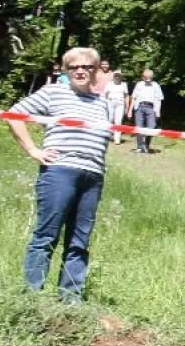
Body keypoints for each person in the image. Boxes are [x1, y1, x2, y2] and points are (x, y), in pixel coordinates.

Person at [6, 47, 111, 303]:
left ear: (96, 71)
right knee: (46, 235)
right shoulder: (53, 92)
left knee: (79, 240)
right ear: (66, 70)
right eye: (74, 67)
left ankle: (70, 301)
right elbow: (13, 115)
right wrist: (33, 150)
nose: (80, 71)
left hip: (93, 177)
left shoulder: (102, 104)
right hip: (60, 172)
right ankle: (32, 298)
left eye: (86, 67)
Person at [128, 69, 164, 153]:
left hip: (151, 108)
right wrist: (130, 110)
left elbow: (159, 99)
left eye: (150, 78)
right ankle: (140, 147)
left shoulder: (156, 85)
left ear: (152, 77)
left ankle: (146, 145)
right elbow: (134, 97)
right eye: (146, 78)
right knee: (139, 128)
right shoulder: (139, 84)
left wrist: (158, 111)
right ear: (143, 77)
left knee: (151, 127)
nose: (148, 80)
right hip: (139, 107)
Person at [103, 71, 130, 145]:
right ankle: (107, 136)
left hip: (120, 104)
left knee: (118, 121)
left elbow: (126, 96)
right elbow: (105, 94)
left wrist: (127, 107)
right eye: (116, 76)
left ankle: (117, 139)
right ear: (113, 76)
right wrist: (104, 104)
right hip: (110, 102)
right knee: (110, 120)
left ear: (121, 77)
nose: (117, 77)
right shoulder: (109, 84)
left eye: (118, 76)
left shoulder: (124, 84)